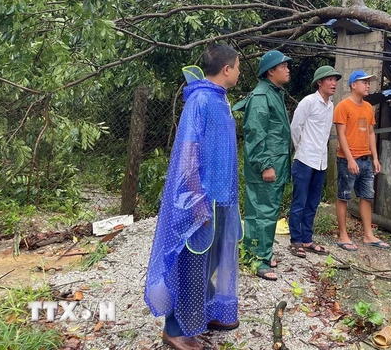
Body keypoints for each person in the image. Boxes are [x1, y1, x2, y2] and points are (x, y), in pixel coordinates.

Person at [144, 44, 242, 350]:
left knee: (211, 261)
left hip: (221, 196)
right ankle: (175, 330)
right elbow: (188, 154)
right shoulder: (200, 100)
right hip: (202, 200)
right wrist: (197, 201)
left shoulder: (220, 100)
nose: (239, 72)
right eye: (238, 66)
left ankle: (208, 306)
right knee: (190, 264)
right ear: (227, 69)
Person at [235, 50, 292, 281]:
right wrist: (265, 165)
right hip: (266, 167)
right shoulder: (261, 97)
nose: (288, 69)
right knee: (260, 212)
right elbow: (256, 135)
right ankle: (255, 259)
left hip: (276, 165)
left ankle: (264, 254)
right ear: (271, 71)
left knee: (268, 212)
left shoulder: (274, 93)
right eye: (283, 66)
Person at [287, 66, 342, 258]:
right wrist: (301, 148)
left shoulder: (331, 105)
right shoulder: (308, 102)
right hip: (304, 159)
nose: (334, 83)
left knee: (313, 202)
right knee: (299, 201)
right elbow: (295, 127)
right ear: (320, 82)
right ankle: (295, 241)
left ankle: (307, 239)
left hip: (321, 161)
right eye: (330, 80)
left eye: (335, 80)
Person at [333, 70, 388, 251]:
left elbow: (371, 133)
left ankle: (368, 235)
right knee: (344, 197)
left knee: (366, 197)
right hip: (348, 159)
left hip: (365, 159)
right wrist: (350, 159)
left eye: (368, 82)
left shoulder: (368, 107)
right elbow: (341, 135)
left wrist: (375, 157)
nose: (368, 85)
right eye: (364, 82)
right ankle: (343, 235)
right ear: (353, 85)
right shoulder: (343, 106)